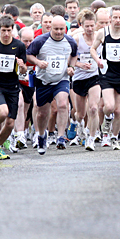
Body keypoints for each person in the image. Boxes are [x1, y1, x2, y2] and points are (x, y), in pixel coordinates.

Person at [27, 16, 77, 154]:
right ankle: (42, 135)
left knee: (62, 104)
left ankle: (61, 137)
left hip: (61, 79)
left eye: (61, 29)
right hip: (44, 81)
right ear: (50, 28)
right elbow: (28, 55)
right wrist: (38, 63)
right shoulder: (40, 41)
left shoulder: (70, 41)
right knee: (42, 113)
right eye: (56, 29)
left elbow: (74, 55)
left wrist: (71, 67)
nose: (59, 32)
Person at [0, 15, 27, 159]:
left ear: (13, 29)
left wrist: (22, 66)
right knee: (2, 112)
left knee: (10, 123)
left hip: (12, 86)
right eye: (3, 30)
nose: (6, 34)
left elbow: (24, 69)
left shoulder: (19, 46)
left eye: (9, 30)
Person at [91, 5, 120, 150]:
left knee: (118, 110)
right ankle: (106, 124)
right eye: (115, 17)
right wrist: (98, 60)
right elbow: (92, 48)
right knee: (108, 106)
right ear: (110, 18)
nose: (117, 20)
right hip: (107, 75)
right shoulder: (102, 33)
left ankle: (114, 137)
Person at [71, 10, 102, 151]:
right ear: (81, 25)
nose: (90, 29)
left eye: (92, 26)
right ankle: (79, 126)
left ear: (95, 25)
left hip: (95, 77)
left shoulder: (99, 38)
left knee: (94, 108)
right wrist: (79, 64)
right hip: (79, 78)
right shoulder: (77, 39)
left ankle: (91, 138)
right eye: (87, 26)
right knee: (80, 114)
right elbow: (69, 60)